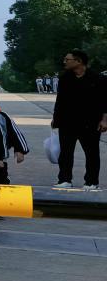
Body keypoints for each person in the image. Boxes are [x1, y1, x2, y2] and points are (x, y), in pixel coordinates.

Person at [52, 49, 107, 190]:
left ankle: (91, 182)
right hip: (67, 122)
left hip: (90, 123)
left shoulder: (97, 78)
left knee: (92, 153)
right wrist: (55, 118)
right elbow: (60, 100)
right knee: (65, 153)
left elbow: (105, 101)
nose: (64, 62)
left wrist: (104, 120)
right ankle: (65, 179)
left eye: (67, 60)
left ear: (79, 61)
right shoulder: (65, 78)